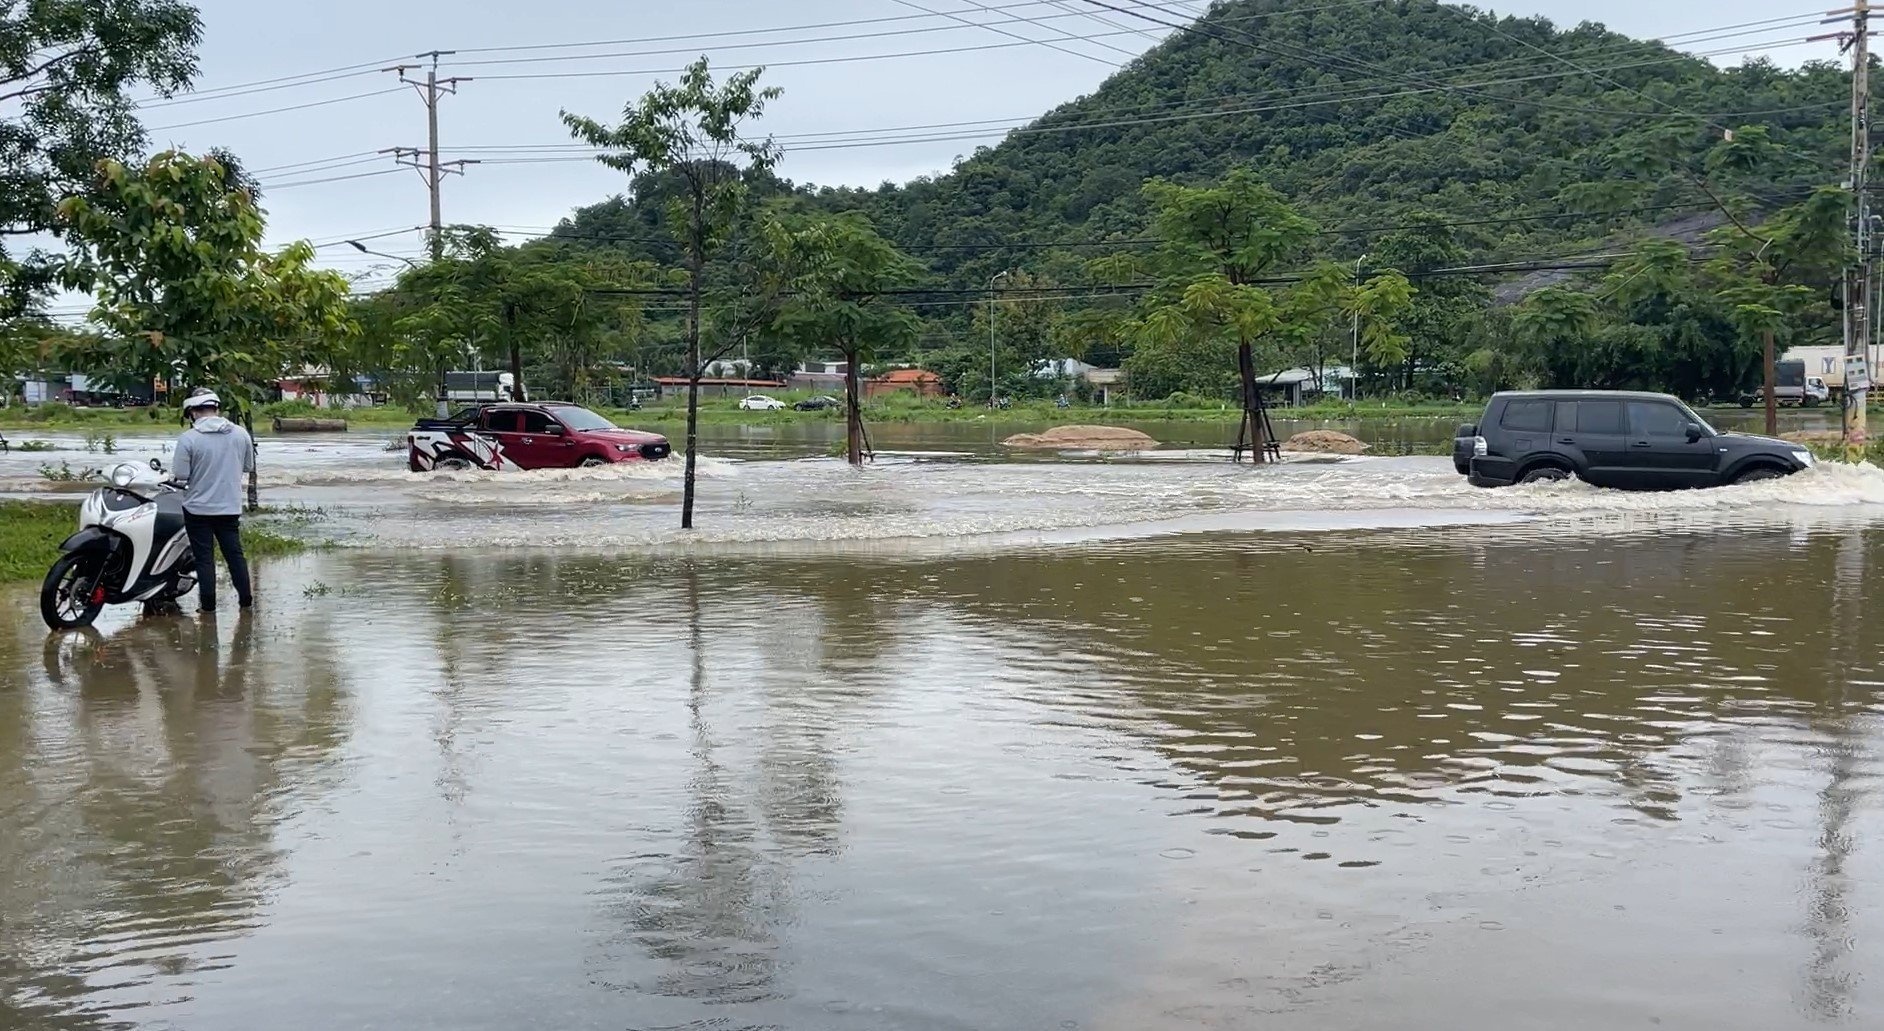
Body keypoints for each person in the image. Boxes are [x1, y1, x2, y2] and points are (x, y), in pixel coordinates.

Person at [172, 391, 254, 612]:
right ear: (216, 409)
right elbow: (248, 466)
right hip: (229, 506)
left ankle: (208, 607)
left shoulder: (189, 439)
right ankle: (246, 602)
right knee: (235, 555)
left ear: (193, 412)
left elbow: (180, 473)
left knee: (204, 559)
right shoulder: (240, 434)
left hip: (197, 509)